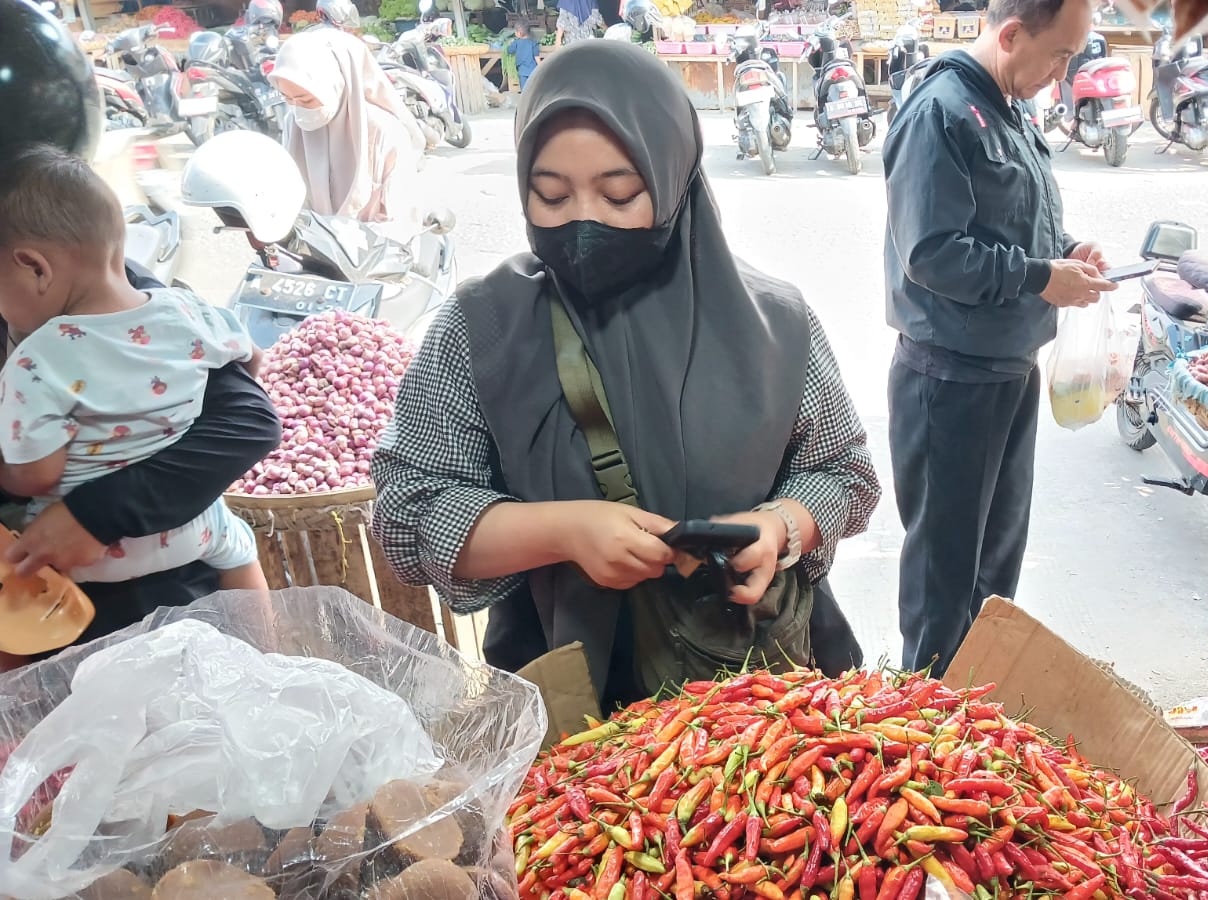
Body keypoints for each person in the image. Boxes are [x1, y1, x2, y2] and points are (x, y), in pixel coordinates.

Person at [372, 41, 880, 708]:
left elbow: (845, 474)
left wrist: (784, 525)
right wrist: (562, 532)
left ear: (674, 181)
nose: (583, 221)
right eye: (550, 195)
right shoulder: (481, 328)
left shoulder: (776, 324)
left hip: (757, 714)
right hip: (572, 722)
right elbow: (408, 513)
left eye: (619, 194)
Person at [0, 0, 281, 657]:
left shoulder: (55, 338)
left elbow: (247, 419)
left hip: (104, 589)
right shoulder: (166, 312)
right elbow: (247, 355)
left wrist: (94, 514)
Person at [882, 0, 1115, 677]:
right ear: (1011, 35)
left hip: (1008, 373)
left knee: (993, 572)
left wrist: (1066, 252)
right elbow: (930, 253)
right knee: (943, 586)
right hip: (949, 381)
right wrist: (1042, 276)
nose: (1064, 72)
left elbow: (1007, 224)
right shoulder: (942, 112)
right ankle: (923, 727)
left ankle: (973, 731)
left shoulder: (1008, 107)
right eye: (1061, 55)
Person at [0, 145, 271, 594]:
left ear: (34, 267)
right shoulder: (186, 310)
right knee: (238, 545)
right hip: (194, 527)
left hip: (82, 556)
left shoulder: (35, 359)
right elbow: (253, 359)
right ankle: (269, 654)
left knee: (15, 597)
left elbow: (36, 475)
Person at [270, 26, 426, 224]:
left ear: (335, 85)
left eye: (306, 100)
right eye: (288, 99)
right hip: (310, 249)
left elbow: (403, 218)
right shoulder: (293, 124)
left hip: (376, 249)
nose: (298, 109)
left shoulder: (383, 130)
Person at [508, 23, 541, 87]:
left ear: (519, 33)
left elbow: (509, 51)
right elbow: (537, 58)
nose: (515, 33)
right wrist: (541, 68)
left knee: (524, 89)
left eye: (515, 31)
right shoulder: (534, 43)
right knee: (533, 88)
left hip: (522, 71)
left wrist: (510, 44)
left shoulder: (516, 43)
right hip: (533, 70)